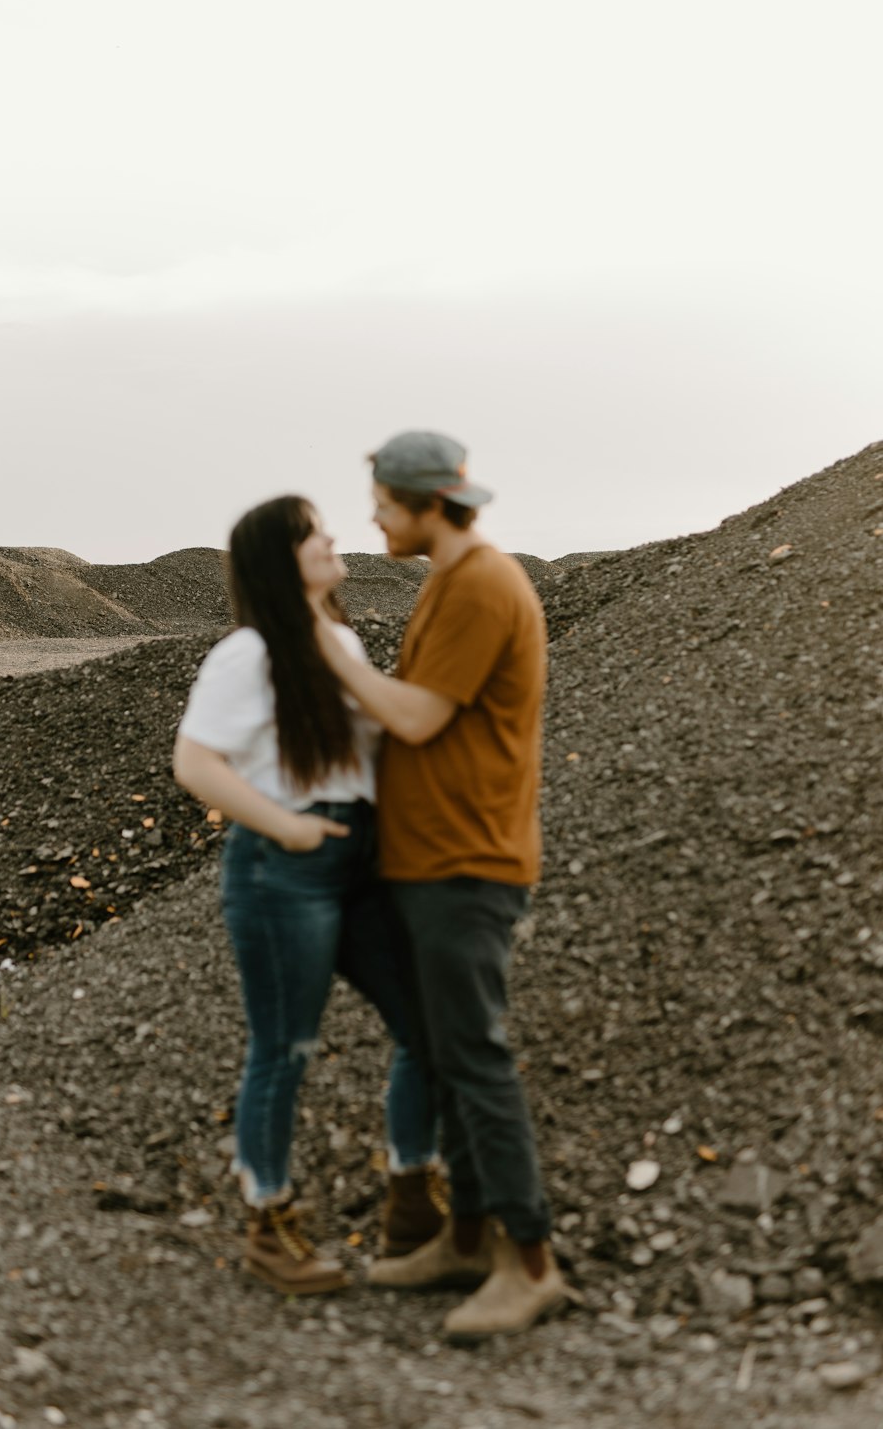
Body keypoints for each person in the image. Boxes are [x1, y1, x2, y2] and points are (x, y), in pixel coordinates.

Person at [313, 430, 574, 1341]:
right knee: (446, 1048)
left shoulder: (482, 586)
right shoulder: (452, 583)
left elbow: (417, 717)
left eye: (382, 501)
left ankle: (531, 1261)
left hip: (470, 859)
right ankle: (467, 1237)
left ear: (425, 502)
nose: (374, 518)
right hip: (432, 856)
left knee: (474, 1056)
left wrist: (331, 652)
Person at [172, 494, 443, 1296]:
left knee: (427, 1020)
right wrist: (286, 828)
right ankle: (269, 1221)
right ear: (279, 559)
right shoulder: (249, 652)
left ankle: (410, 1203)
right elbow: (196, 762)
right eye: (313, 533)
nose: (332, 539)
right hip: (282, 866)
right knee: (285, 1048)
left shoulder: (342, 639)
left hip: (359, 859)